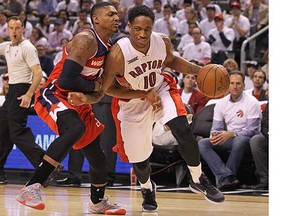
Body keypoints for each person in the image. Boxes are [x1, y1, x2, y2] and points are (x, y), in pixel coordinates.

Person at [68, 5, 225, 212]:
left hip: (160, 89)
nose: (143, 34)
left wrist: (201, 70)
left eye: (147, 29)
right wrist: (85, 98)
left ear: (153, 27)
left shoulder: (162, 41)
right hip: (131, 101)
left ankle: (197, 178)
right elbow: (107, 90)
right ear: (130, 27)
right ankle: (147, 187)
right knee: (140, 162)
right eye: (137, 29)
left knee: (182, 128)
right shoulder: (118, 54)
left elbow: (172, 60)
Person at [15, 3, 126, 215]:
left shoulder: (110, 47)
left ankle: (98, 202)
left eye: (116, 13)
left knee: (98, 158)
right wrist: (95, 86)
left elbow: (106, 89)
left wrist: (91, 96)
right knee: (75, 129)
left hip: (78, 100)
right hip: (55, 93)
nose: (116, 17)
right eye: (110, 14)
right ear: (96, 19)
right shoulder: (86, 40)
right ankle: (31, 186)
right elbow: (66, 80)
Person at [0, 16, 46, 185]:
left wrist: (29, 94)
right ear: (7, 29)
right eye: (11, 28)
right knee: (2, 130)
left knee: (17, 132)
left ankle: (46, 165)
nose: (14, 31)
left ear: (23, 29)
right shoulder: (6, 47)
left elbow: (38, 73)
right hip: (11, 91)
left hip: (22, 90)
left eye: (17, 28)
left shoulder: (28, 48)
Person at [198, 71, 262, 191]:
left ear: (243, 85)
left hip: (248, 140)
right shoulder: (221, 103)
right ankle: (227, 176)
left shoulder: (252, 102)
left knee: (240, 140)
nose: (234, 86)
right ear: (228, 85)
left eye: (238, 83)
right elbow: (216, 129)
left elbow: (252, 130)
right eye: (232, 83)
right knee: (203, 144)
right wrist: (216, 136)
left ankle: (226, 179)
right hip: (229, 137)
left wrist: (232, 133)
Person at [249, 85, 268, 190]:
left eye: (269, 90)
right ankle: (264, 179)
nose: (266, 93)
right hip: (268, 136)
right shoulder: (269, 105)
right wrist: (268, 134)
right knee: (256, 141)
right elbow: (264, 123)